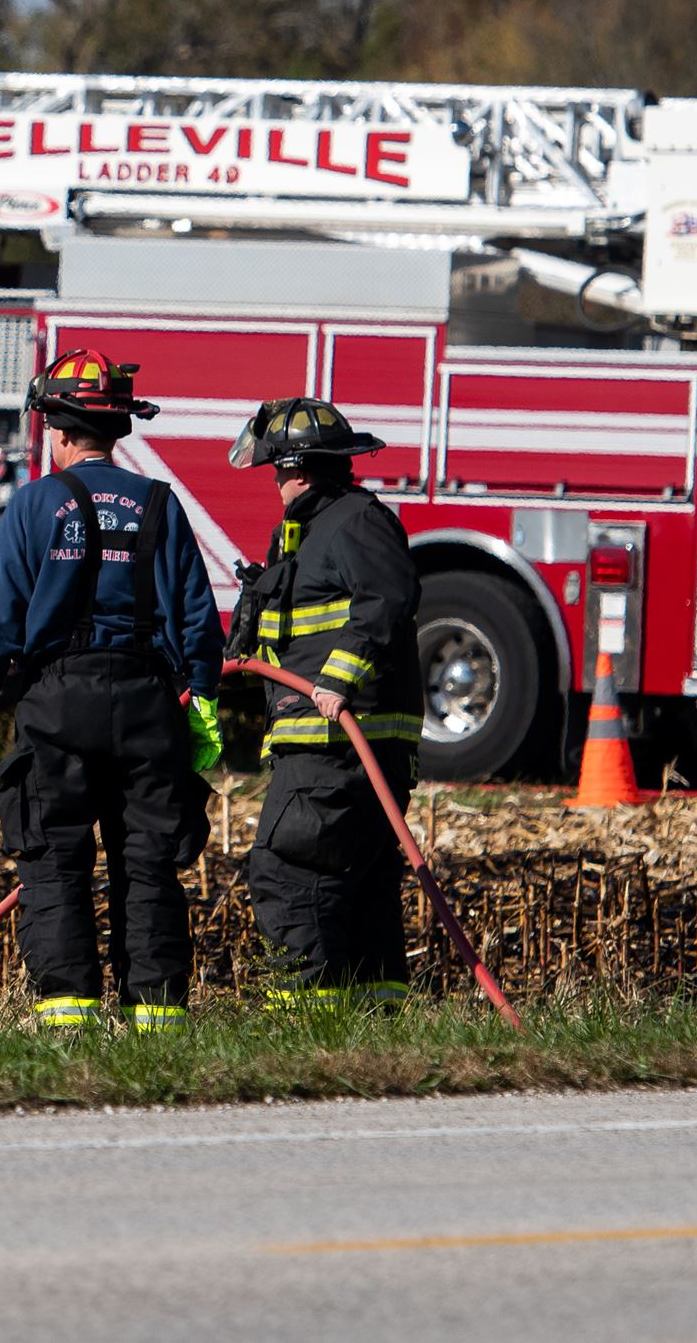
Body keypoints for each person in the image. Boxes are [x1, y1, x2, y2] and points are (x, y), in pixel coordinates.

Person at [0, 350, 225, 1031]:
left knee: (54, 859)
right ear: (115, 427)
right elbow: (197, 617)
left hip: (54, 701)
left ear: (58, 427)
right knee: (148, 863)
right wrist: (205, 705)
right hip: (145, 702)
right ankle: (157, 1017)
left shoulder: (34, 504)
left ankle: (67, 1015)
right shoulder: (159, 504)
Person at [226, 397, 422, 1007]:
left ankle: (303, 1018)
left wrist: (336, 680)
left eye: (277, 470)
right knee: (356, 881)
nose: (274, 482)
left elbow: (387, 599)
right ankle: (374, 1015)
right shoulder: (309, 532)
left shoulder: (354, 521)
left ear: (302, 468)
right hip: (329, 745)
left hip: (334, 743)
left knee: (290, 871)